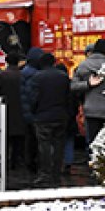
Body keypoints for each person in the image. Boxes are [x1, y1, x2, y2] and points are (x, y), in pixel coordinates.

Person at [29, 53, 71, 189]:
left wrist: (34, 111)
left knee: (44, 145)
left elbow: (33, 98)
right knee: (59, 145)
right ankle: (56, 173)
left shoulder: (37, 77)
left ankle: (45, 173)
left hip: (43, 116)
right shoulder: (63, 77)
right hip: (61, 115)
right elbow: (69, 97)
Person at [71, 38, 105, 145]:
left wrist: (88, 84)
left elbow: (73, 86)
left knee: (92, 142)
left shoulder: (84, 65)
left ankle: (92, 161)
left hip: (91, 109)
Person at [0, 53, 26, 169]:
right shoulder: (22, 75)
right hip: (21, 109)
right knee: (19, 140)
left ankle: (4, 161)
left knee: (4, 138)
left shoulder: (2, 75)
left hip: (5, 109)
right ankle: (17, 161)